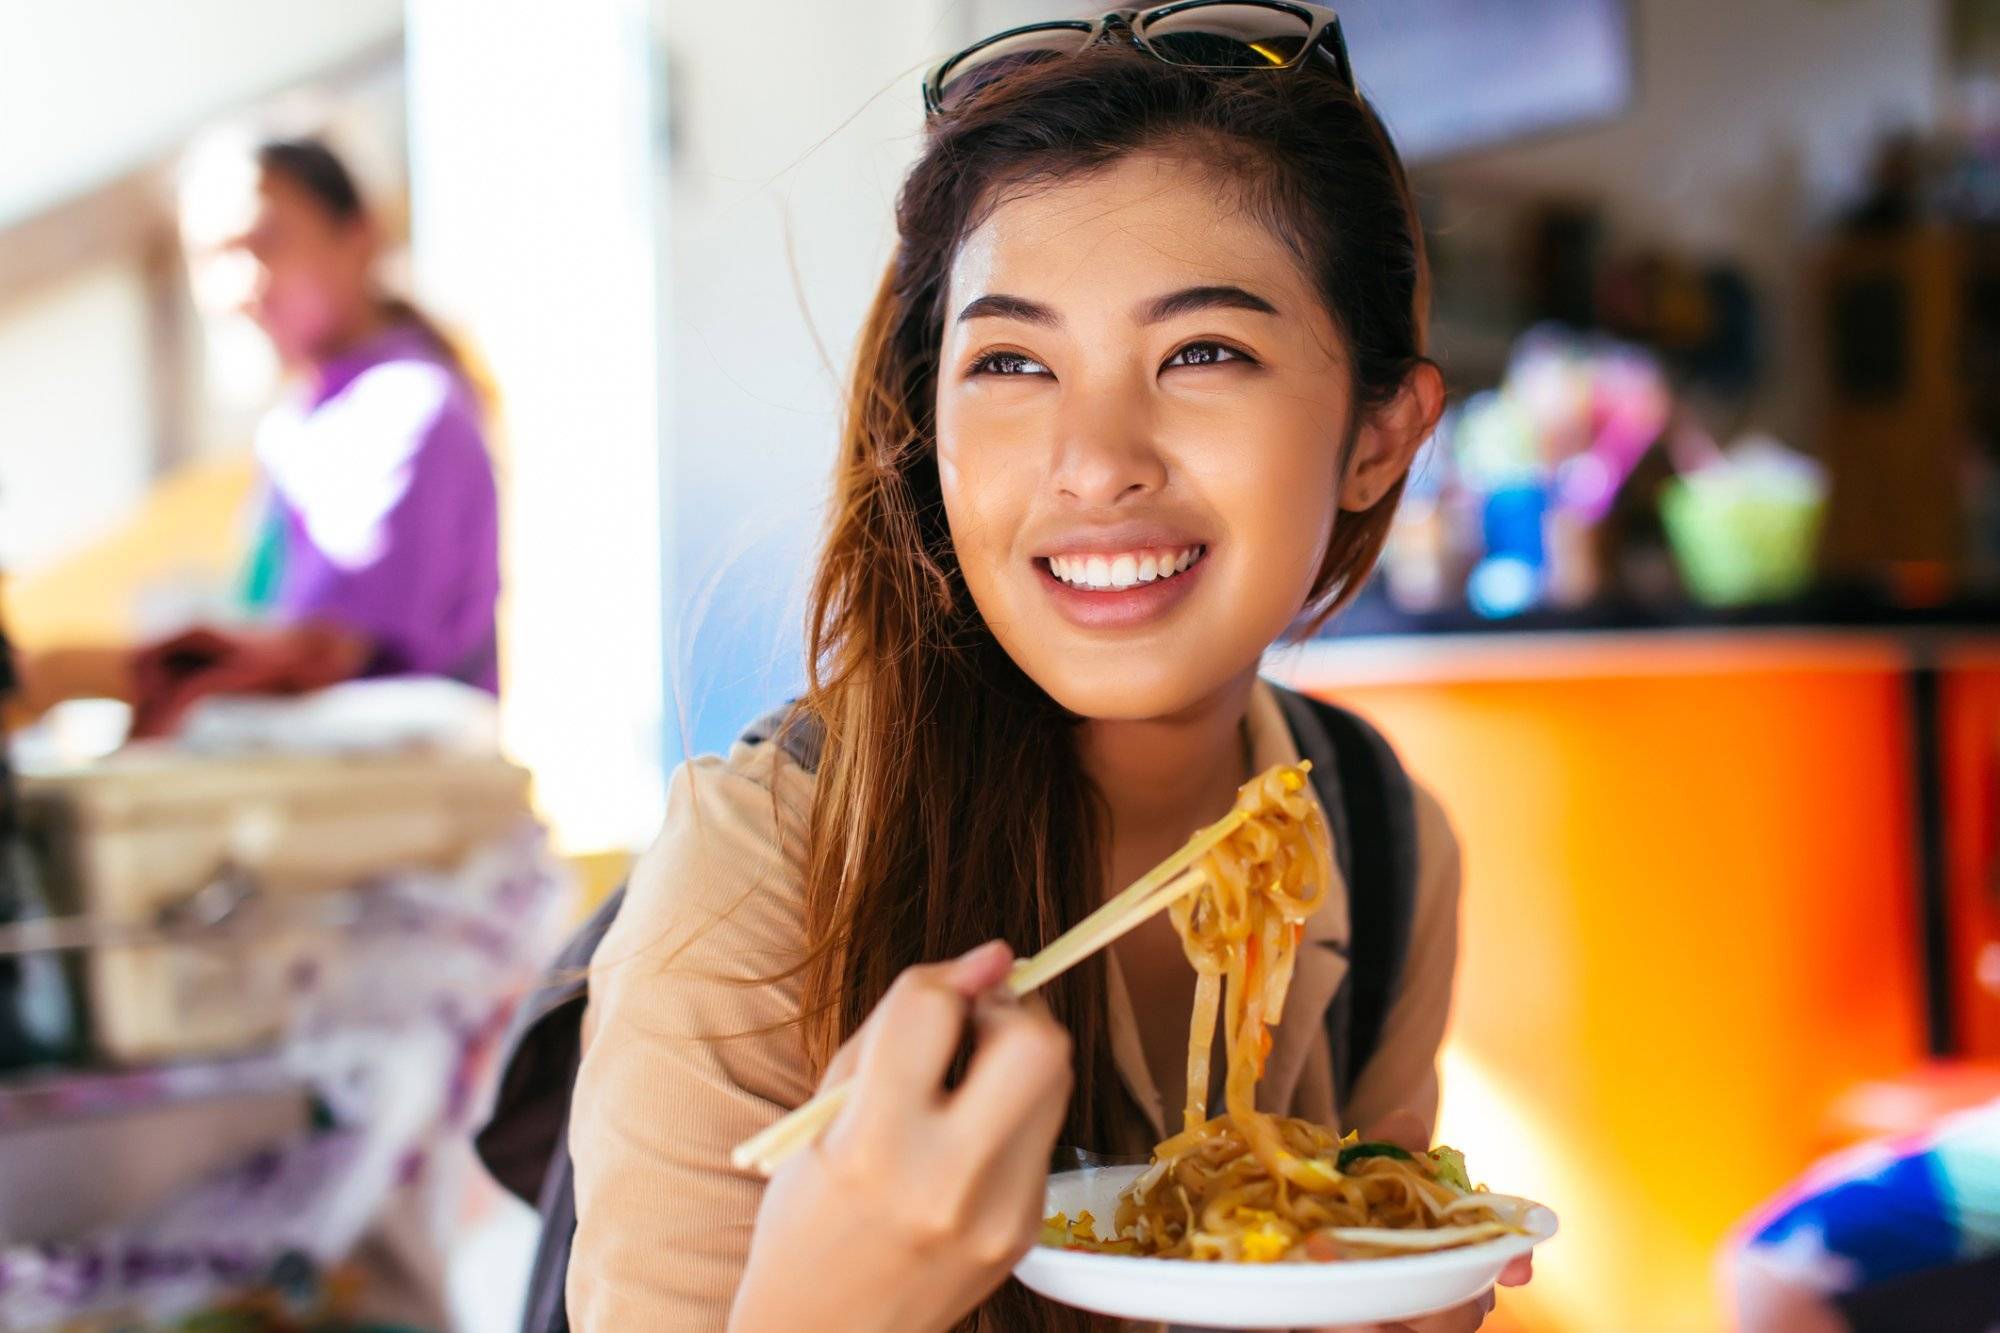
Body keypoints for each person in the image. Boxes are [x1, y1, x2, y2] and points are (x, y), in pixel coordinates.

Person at [564, 8, 1530, 1331]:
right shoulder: (755, 879)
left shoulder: (1375, 830)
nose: (1092, 459)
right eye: (1011, 362)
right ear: (928, 425)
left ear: (1379, 435)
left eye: (1202, 352)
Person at [21, 136, 501, 738]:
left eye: (264, 243)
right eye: (210, 258)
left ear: (359, 237)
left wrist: (81, 673)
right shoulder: (301, 421)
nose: (237, 285)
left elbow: (331, 656)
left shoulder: (408, 407)